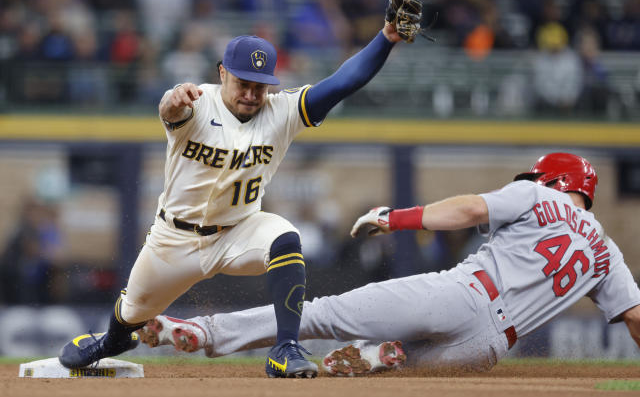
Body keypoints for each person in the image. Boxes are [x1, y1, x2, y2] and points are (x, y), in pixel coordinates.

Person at [57, 2, 410, 378]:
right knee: (131, 314)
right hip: (174, 239)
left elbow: (342, 82)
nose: (252, 94)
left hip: (239, 231)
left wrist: (386, 38)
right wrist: (171, 101)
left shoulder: (282, 111)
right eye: (243, 83)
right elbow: (170, 109)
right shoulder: (195, 101)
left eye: (261, 86)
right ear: (222, 73)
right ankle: (115, 340)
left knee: (285, 237)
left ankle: (286, 347)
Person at [135, 153, 640, 375]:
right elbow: (635, 320)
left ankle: (203, 332)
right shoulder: (607, 254)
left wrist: (395, 218)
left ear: (556, 182)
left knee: (322, 314)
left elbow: (467, 210)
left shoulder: (535, 194)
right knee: (377, 368)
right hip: (487, 348)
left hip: (462, 294)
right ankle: (379, 356)